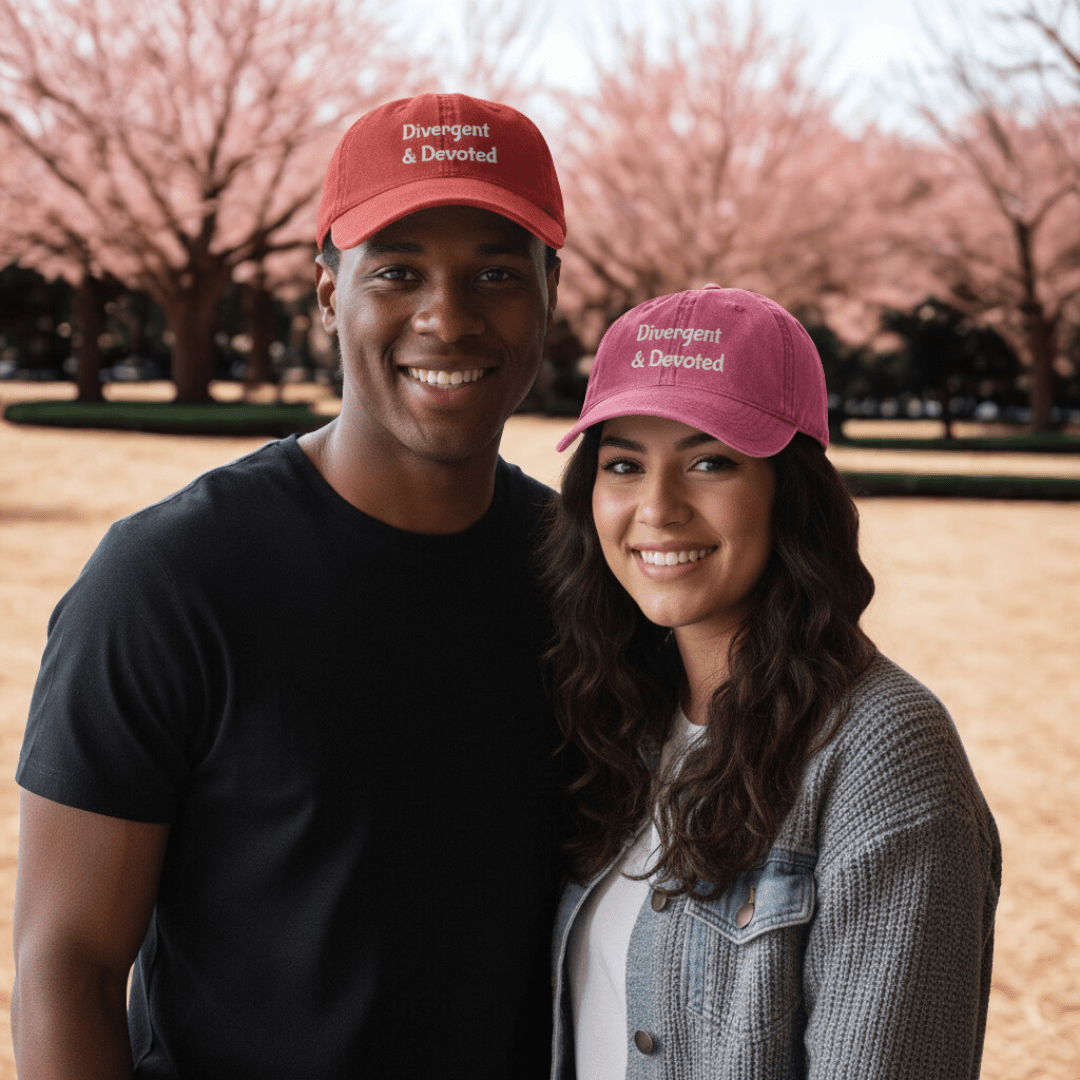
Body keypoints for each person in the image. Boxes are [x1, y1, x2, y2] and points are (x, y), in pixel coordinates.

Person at [13, 93, 568, 1079]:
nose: (448, 315)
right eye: (398, 272)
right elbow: (68, 972)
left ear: (551, 296)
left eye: (495, 271)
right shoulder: (168, 581)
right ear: (326, 294)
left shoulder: (587, 579)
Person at [539, 285, 1001, 1079]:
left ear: (790, 492)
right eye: (623, 464)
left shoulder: (885, 754)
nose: (657, 507)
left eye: (710, 461)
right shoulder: (617, 718)